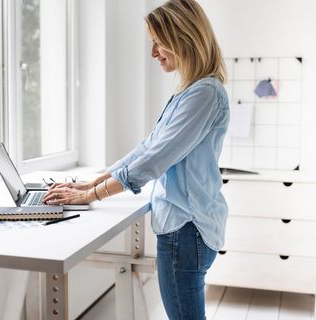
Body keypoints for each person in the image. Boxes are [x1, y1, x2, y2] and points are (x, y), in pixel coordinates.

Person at [44, 0, 228, 318]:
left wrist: (90, 195)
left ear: (181, 38)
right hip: (185, 228)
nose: (153, 53)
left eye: (158, 42)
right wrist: (93, 181)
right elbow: (147, 147)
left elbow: (155, 159)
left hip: (186, 228)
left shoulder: (205, 94)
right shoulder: (189, 93)